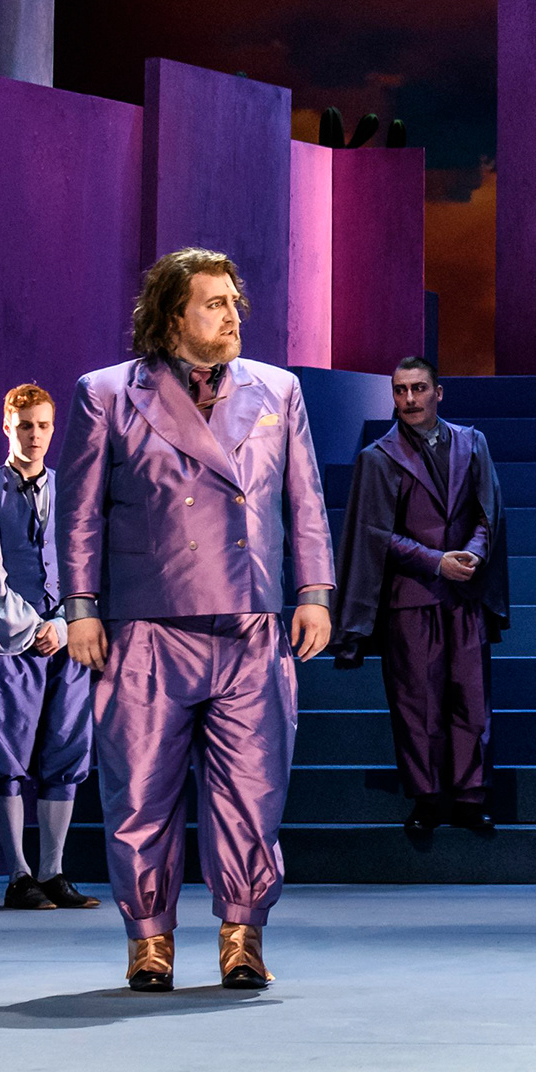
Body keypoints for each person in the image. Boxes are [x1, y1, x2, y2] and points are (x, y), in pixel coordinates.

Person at [61, 247, 333, 993]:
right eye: (215, 304)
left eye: (234, 302)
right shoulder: (107, 393)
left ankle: (242, 935)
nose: (232, 315)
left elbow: (305, 499)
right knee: (139, 793)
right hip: (148, 623)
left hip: (250, 620)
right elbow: (80, 512)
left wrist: (314, 591)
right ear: (172, 315)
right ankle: (149, 941)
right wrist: (81, 608)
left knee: (253, 792)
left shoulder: (278, 390)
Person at [339, 355, 505, 844]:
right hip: (410, 598)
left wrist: (474, 553)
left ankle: (471, 797)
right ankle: (427, 799)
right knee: (417, 703)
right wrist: (436, 561)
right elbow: (373, 534)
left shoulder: (472, 443)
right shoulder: (378, 457)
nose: (409, 399)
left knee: (471, 698)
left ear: (438, 392)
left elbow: (488, 512)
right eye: (400, 390)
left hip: (464, 594)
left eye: (418, 388)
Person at [0, 382, 98, 908]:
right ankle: (18, 875)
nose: (34, 435)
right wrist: (27, 627)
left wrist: (63, 624)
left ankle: (53, 870)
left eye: (42, 426)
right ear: (7, 426)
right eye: (24, 426)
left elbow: (84, 562)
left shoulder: (68, 490)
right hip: (10, 643)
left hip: (65, 640)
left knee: (65, 750)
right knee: (7, 755)